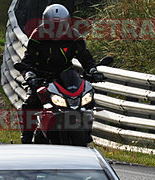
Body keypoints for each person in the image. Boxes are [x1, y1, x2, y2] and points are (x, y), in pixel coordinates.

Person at [19, 3, 104, 144]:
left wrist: (93, 71)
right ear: (45, 24)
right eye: (52, 26)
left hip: (65, 76)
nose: (56, 30)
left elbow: (85, 57)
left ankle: (86, 130)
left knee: (88, 99)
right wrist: (29, 75)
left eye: (60, 26)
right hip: (41, 76)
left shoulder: (74, 36)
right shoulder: (37, 35)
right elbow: (28, 59)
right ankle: (26, 139)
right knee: (31, 103)